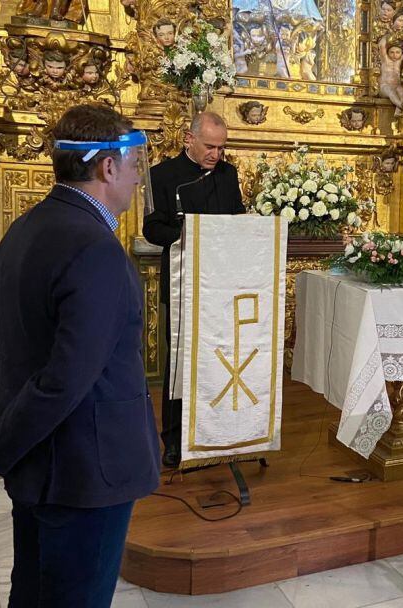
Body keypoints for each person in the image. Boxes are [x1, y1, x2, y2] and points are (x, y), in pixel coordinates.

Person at [0, 104, 160, 606]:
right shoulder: (96, 249)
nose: (138, 182)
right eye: (135, 168)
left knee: (33, 594)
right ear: (108, 167)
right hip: (86, 473)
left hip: (38, 464)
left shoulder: (24, 229)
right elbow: (66, 378)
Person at [142, 111, 245, 468]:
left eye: (221, 147)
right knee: (181, 360)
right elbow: (152, 231)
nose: (216, 154)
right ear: (190, 139)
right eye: (210, 146)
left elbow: (237, 217)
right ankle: (173, 438)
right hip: (183, 282)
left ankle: (215, 430)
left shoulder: (227, 175)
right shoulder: (163, 175)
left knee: (220, 356)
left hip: (222, 282)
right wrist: (189, 235)